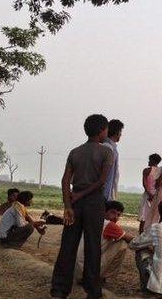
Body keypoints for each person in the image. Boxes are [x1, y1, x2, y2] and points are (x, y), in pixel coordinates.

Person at [50, 114, 114, 299]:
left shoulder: (75, 152)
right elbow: (101, 181)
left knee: (68, 245)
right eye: (106, 129)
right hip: (94, 202)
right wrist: (81, 195)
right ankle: (92, 291)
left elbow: (65, 181)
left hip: (75, 204)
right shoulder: (106, 152)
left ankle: (59, 289)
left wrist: (68, 204)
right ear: (102, 130)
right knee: (92, 246)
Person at [76, 200, 134, 282]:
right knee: (122, 244)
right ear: (104, 211)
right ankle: (98, 277)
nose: (116, 217)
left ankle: (91, 276)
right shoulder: (109, 225)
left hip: (78, 267)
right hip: (85, 269)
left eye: (118, 215)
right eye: (113, 213)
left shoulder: (93, 219)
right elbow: (132, 240)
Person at [138, 153, 162, 233]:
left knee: (144, 216)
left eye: (149, 160)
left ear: (152, 160)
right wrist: (155, 195)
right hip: (157, 195)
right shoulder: (161, 171)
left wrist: (149, 194)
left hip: (148, 195)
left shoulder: (146, 170)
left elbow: (144, 184)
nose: (148, 162)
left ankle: (141, 235)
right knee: (154, 217)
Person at [102, 119, 123, 201]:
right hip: (104, 193)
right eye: (120, 132)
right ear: (117, 132)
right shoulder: (108, 147)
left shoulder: (111, 147)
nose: (121, 135)